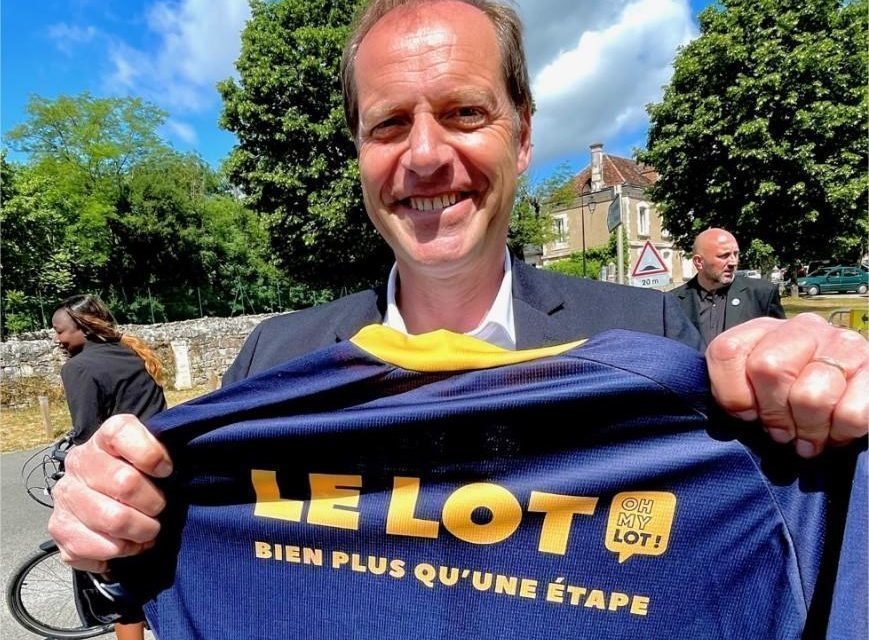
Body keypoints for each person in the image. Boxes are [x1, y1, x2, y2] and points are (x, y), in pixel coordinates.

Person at [48, 0, 867, 584]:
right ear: (359, 153)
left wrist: (815, 392)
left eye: (464, 113)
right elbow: (189, 564)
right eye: (388, 124)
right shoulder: (275, 357)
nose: (424, 156)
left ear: (523, 136)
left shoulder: (650, 334)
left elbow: (764, 553)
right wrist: (112, 538)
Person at [52, 295, 166, 640]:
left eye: (59, 331)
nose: (56, 339)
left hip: (122, 482)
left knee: (123, 594)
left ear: (83, 328)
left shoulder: (79, 367)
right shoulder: (132, 352)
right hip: (160, 467)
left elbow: (87, 433)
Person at [670, 228, 786, 345]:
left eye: (735, 254)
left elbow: (782, 343)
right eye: (724, 256)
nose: (733, 262)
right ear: (699, 262)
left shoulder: (761, 294)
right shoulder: (672, 302)